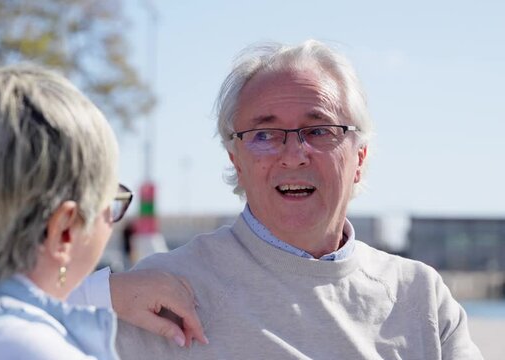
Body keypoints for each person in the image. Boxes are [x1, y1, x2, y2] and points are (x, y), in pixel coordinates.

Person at [89, 39, 483, 359]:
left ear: (359, 158)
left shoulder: (420, 298)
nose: (293, 154)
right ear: (236, 161)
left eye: (319, 130)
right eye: (264, 135)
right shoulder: (160, 294)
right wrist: (97, 295)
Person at [0, 64, 205, 359]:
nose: (112, 222)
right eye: (111, 202)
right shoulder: (23, 349)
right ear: (65, 229)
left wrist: (106, 293)